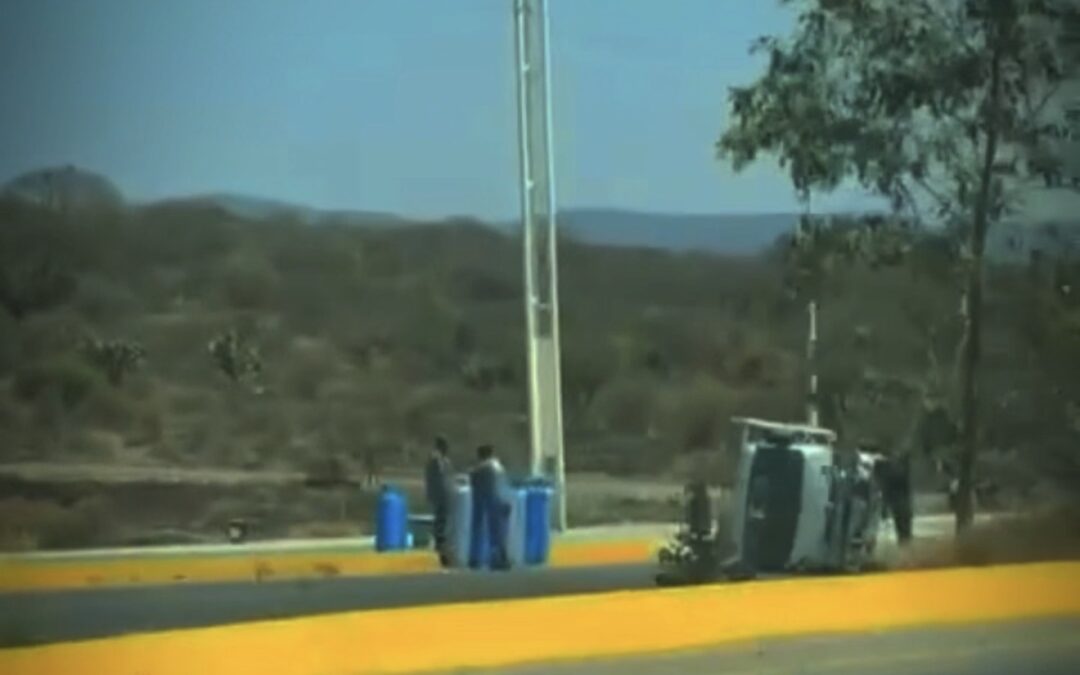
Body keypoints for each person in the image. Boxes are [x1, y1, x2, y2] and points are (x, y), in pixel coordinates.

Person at [469, 444, 512, 570]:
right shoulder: (499, 467)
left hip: (492, 503)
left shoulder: (484, 468)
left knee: (493, 532)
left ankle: (495, 559)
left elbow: (474, 481)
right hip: (504, 501)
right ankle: (502, 557)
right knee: (501, 532)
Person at [425, 436, 453, 567]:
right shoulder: (435, 460)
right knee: (440, 524)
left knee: (443, 523)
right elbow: (435, 479)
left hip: (445, 496)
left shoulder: (444, 461)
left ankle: (442, 550)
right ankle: (440, 552)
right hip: (439, 496)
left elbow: (447, 477)